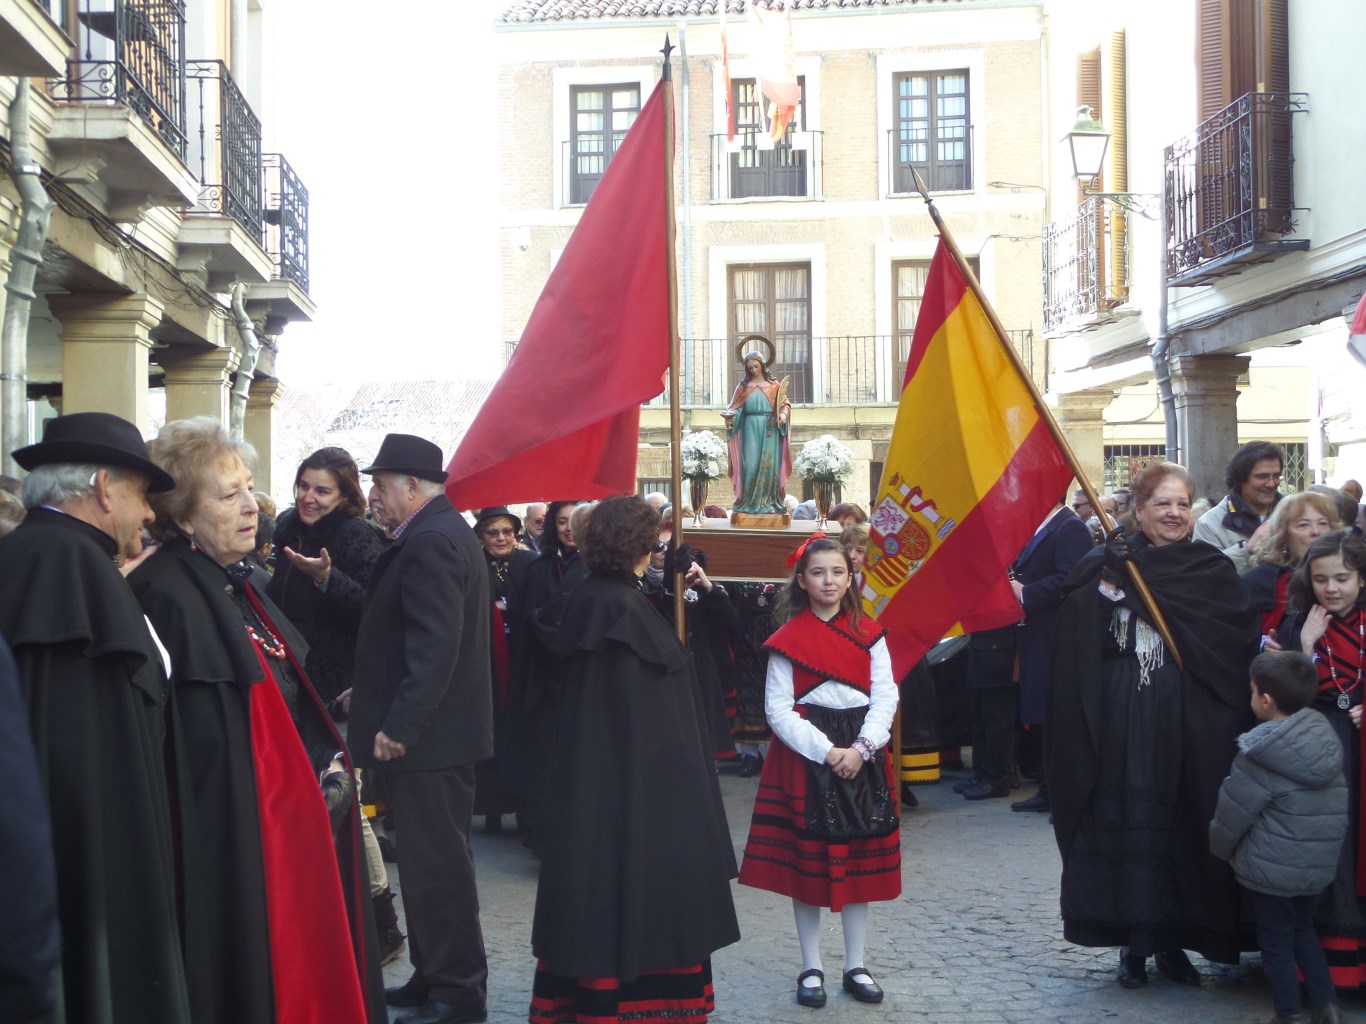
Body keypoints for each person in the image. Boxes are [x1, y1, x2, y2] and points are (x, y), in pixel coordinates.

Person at [129, 417, 380, 1024]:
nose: (251, 507)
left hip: (290, 817)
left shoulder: (239, 581)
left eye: (248, 488)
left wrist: (322, 764)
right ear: (183, 517)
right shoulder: (167, 593)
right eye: (227, 494)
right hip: (238, 840)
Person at [0, 412, 191, 1024]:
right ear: (104, 488)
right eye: (141, 495)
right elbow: (82, 750)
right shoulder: (72, 565)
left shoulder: (39, 556)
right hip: (87, 859)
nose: (150, 515)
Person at [527, 496, 740, 1024]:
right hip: (637, 785)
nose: (661, 544)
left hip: (604, 781)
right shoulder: (617, 608)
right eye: (655, 538)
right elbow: (647, 708)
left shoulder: (603, 596)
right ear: (637, 545)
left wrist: (670, 588)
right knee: (627, 889)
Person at [1048, 462, 1260, 989]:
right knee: (1130, 825)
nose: (1173, 513)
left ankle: (1175, 944)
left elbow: (1230, 642)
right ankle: (1132, 946)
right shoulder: (1108, 563)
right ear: (1137, 510)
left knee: (1182, 825)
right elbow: (1077, 645)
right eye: (1162, 504)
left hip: (1189, 716)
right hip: (1123, 714)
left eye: (1183, 504)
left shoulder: (1209, 568)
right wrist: (1106, 585)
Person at [348, 433, 493, 1024]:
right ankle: (435, 974)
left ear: (412, 487)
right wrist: (376, 691)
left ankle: (457, 993)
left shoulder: (431, 540)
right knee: (432, 866)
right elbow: (416, 640)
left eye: (380, 486)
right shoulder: (435, 532)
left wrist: (401, 723)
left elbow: (436, 648)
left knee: (439, 870)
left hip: (431, 740)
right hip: (438, 734)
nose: (373, 497)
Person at [739, 537, 901, 1009]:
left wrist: (864, 747)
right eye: (818, 573)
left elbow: (886, 696)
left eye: (837, 572)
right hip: (809, 755)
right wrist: (829, 752)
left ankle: (856, 963)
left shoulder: (872, 633)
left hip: (862, 751)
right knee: (807, 866)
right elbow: (778, 709)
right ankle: (811, 965)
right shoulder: (787, 639)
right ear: (802, 580)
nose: (828, 581)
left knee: (857, 865)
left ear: (850, 579)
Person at [267, 446, 402, 963]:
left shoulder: (355, 537)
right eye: (303, 485)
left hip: (340, 690)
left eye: (321, 490)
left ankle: (383, 926)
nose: (308, 497)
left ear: (345, 495)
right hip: (295, 685)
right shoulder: (284, 532)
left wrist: (326, 578)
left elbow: (378, 612)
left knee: (347, 803)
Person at [1209, 651, 1348, 1024]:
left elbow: (1232, 813)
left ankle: (1288, 1013)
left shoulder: (1259, 754)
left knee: (1276, 942)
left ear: (1265, 700)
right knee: (1305, 931)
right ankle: (1327, 1007)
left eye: (1252, 691)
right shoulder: (1323, 740)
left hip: (1272, 871)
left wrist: (1222, 850)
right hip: (1316, 868)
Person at [1279, 530, 1366, 991]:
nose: (1331, 589)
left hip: (1361, 746)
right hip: (1320, 746)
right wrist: (1306, 645)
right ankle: (1326, 970)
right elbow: (1286, 696)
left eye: (1342, 578)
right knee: (1330, 844)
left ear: (1360, 577)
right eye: (1320, 579)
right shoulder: (1298, 622)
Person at [1008, 498, 1094, 812]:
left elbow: (1072, 579)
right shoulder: (1045, 526)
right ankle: (1048, 787)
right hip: (1038, 633)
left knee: (1055, 714)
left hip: (1055, 634)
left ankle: (1059, 792)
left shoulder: (1069, 527)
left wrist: (1025, 592)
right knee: (1044, 714)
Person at [471, 505, 536, 836]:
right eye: (493, 532)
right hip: (486, 661)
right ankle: (491, 808)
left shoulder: (529, 563)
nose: (501, 538)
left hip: (522, 656)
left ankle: (523, 807)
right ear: (481, 536)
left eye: (507, 532)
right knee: (491, 730)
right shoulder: (473, 564)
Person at [1242, 491, 1340, 638]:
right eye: (1303, 525)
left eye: (1323, 523)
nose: (1316, 531)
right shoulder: (1258, 582)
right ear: (1284, 535)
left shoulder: (1354, 576)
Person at [1193, 441, 1285, 571]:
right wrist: (1247, 549)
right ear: (1241, 478)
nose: (1271, 483)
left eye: (1276, 476)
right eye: (1262, 477)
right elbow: (1204, 576)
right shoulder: (1209, 524)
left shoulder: (1294, 513)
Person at [722, 351, 792, 518]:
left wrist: (783, 415)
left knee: (770, 466)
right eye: (750, 367)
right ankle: (748, 502)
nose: (753, 370)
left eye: (756, 366)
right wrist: (730, 418)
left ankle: (769, 502)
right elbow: (735, 408)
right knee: (750, 465)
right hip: (749, 428)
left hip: (770, 429)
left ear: (762, 365)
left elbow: (785, 404)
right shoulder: (744, 387)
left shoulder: (774, 385)